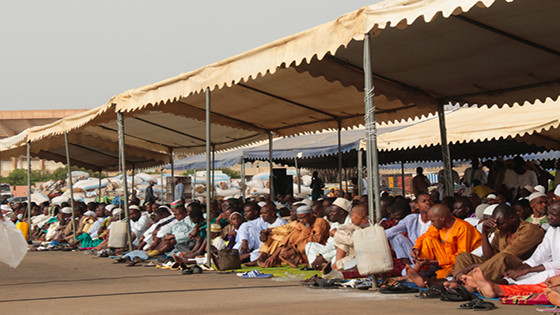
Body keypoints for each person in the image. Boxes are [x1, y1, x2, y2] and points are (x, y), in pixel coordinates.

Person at [452, 204, 545, 284]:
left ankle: (466, 281)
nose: (498, 227)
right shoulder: (501, 230)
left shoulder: (530, 230)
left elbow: (504, 257)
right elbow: (489, 257)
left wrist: (467, 269)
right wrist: (484, 232)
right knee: (463, 256)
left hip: (521, 267)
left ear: (512, 218)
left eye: (501, 224)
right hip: (498, 265)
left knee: (503, 256)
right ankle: (459, 281)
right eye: (497, 225)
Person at [405, 204, 482, 286]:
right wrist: (416, 248)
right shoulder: (439, 225)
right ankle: (414, 273)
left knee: (444, 276)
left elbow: (461, 256)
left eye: (433, 221)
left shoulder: (463, 228)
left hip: (464, 262)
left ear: (442, 218)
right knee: (428, 240)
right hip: (449, 259)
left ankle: (420, 279)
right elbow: (425, 236)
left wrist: (434, 262)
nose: (431, 223)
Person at [501, 201, 560, 285]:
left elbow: (558, 264)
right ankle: (504, 282)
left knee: (551, 273)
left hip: (556, 270)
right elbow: (541, 253)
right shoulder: (553, 229)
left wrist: (528, 270)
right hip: (552, 267)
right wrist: (522, 269)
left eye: (553, 215)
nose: (548, 217)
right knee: (523, 274)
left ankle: (509, 286)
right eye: (548, 214)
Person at [262, 205, 329, 268]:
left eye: (303, 218)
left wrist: (293, 252)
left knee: (305, 236)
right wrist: (276, 254)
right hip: (302, 251)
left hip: (319, 250)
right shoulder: (301, 224)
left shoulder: (320, 222)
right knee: (293, 235)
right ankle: (277, 258)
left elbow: (315, 239)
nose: (301, 221)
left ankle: (295, 258)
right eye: (299, 218)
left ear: (311, 215)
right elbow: (290, 237)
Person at [322, 203, 370, 279]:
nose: (351, 218)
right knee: (343, 239)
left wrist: (336, 234)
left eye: (352, 215)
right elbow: (343, 228)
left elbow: (353, 241)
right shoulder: (355, 224)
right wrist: (337, 232)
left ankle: (335, 268)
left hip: (364, 257)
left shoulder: (369, 226)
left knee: (343, 239)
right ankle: (335, 267)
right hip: (352, 256)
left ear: (360, 216)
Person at [385, 193, 432, 268]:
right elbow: (392, 231)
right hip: (414, 254)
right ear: (417, 205)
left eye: (430, 200)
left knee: (405, 274)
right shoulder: (412, 219)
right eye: (424, 201)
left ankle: (413, 271)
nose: (428, 203)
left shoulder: (437, 220)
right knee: (395, 237)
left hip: (431, 258)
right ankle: (409, 266)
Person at [305, 197, 351, 270]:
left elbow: (345, 248)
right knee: (310, 246)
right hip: (330, 251)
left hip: (344, 253)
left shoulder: (351, 224)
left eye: (332, 212)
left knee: (337, 259)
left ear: (341, 212)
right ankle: (317, 265)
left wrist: (324, 257)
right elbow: (330, 245)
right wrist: (319, 256)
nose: (330, 214)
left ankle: (324, 266)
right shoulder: (335, 224)